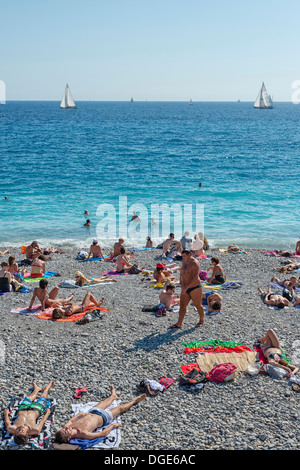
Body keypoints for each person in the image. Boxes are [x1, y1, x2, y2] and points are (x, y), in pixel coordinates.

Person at [55, 385, 146, 444]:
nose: (66, 427)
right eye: (66, 431)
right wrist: (113, 425)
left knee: (106, 402)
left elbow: (71, 420)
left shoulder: (68, 426)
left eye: (64, 428)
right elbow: (102, 434)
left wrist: (79, 415)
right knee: (120, 409)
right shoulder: (84, 434)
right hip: (104, 417)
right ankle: (135, 401)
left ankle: (113, 396)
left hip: (92, 411)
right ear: (69, 438)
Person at [3, 380, 55, 445]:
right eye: (22, 431)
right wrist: (47, 413)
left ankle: (36, 389)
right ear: (27, 434)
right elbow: (43, 420)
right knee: (43, 398)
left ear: (15, 433)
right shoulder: (35, 430)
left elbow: (7, 423)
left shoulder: (12, 429)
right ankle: (47, 388)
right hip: (36, 409)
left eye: (18, 430)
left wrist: (6, 414)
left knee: (28, 398)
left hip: (23, 408)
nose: (21, 428)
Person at [169, 250, 204, 328]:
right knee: (182, 306)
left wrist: (187, 287)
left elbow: (195, 277)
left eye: (184, 256)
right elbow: (183, 272)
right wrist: (181, 282)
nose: (183, 258)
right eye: (182, 256)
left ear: (190, 255)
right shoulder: (184, 261)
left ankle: (201, 320)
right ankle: (179, 323)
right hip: (185, 287)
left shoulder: (194, 263)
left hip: (195, 287)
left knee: (198, 305)